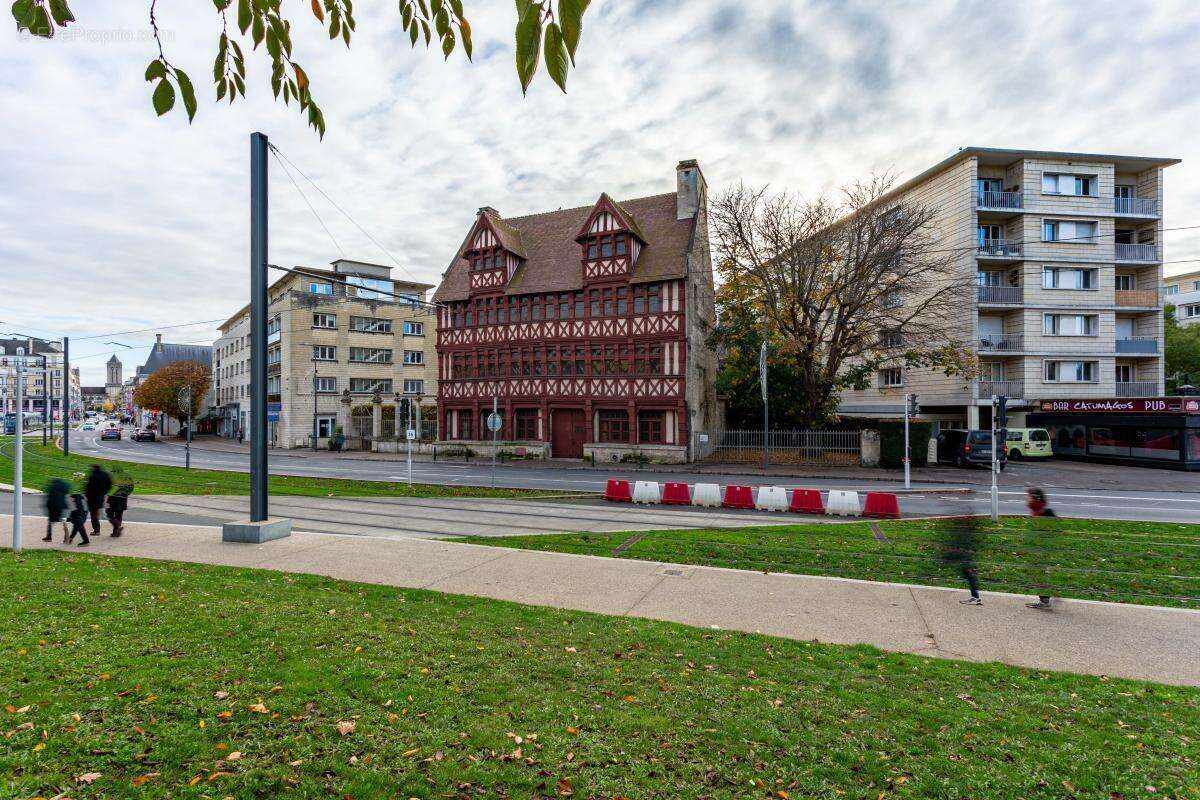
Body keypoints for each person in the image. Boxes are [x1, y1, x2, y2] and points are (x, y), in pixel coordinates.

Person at [938, 514, 984, 606]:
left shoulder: (967, 530)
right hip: (966, 556)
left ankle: (975, 597)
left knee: (970, 574)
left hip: (967, 557)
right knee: (969, 574)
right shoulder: (967, 528)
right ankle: (975, 596)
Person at [1025, 487, 1057, 610]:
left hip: (1043, 550)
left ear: (1036, 499)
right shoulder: (1036, 512)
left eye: (1029, 498)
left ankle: (1045, 600)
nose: (1026, 500)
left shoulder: (1045, 513)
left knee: (1038, 572)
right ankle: (1045, 599)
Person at [83, 464, 112, 539]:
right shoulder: (105, 475)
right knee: (96, 513)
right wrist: (105, 492)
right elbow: (109, 485)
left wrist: (86, 495)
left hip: (92, 498)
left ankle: (96, 530)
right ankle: (99, 528)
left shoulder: (92, 476)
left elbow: (88, 487)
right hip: (100, 497)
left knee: (94, 515)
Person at [105, 469, 134, 537]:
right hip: (123, 499)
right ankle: (116, 531)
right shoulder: (128, 480)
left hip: (112, 499)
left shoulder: (113, 479)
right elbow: (131, 489)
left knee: (109, 514)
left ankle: (117, 528)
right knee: (119, 515)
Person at [42, 477, 70, 543]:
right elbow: (67, 490)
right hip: (62, 506)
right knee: (63, 522)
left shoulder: (52, 487)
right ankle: (67, 538)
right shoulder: (64, 486)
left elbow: (50, 498)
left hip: (53, 507)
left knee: (50, 522)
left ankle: (49, 537)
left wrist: (47, 506)